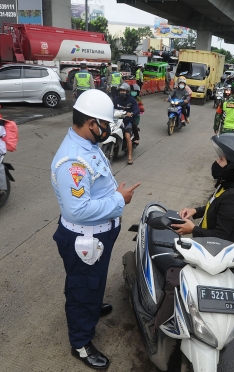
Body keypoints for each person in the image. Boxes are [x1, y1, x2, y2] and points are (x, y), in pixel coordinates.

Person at [50, 89, 141, 370]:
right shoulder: (73, 161)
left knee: (93, 280)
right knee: (82, 288)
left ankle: (91, 305)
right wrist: (119, 199)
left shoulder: (88, 144)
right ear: (90, 122)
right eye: (105, 123)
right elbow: (76, 209)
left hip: (98, 235)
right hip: (85, 238)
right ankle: (81, 343)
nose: (108, 129)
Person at [148, 134, 234, 332]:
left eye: (222, 159)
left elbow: (222, 236)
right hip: (210, 247)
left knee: (175, 281)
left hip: (217, 254)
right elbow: (215, 206)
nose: (217, 162)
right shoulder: (229, 186)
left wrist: (193, 229)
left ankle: (158, 328)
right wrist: (196, 211)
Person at [113, 83, 140, 165]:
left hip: (127, 121)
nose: (122, 92)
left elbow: (137, 110)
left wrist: (131, 113)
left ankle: (130, 157)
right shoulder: (116, 99)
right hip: (116, 120)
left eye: (124, 91)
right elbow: (110, 107)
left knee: (127, 136)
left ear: (127, 92)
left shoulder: (132, 100)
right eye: (121, 91)